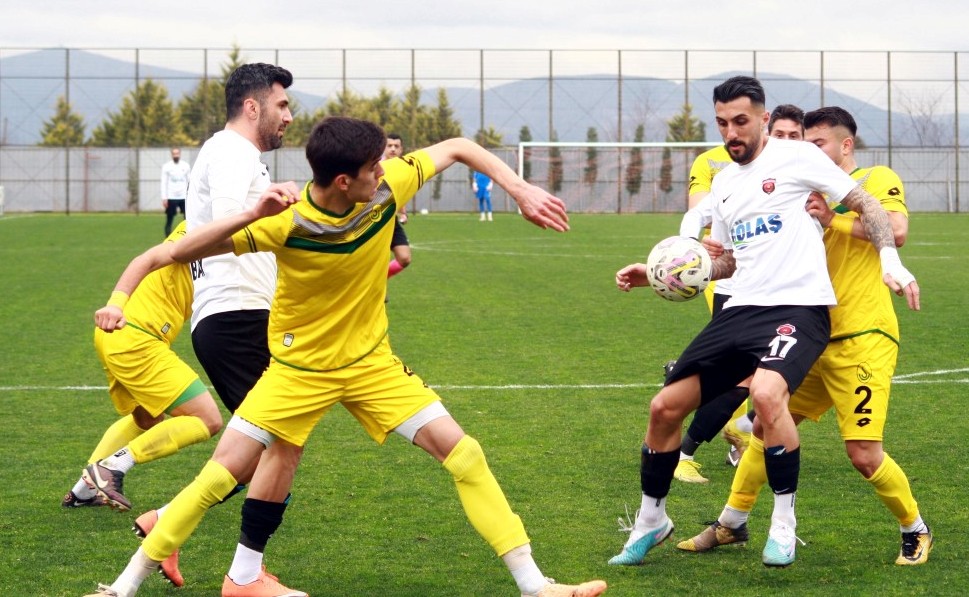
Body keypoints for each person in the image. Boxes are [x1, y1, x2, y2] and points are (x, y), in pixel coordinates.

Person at [84, 117, 607, 597]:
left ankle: (537, 587)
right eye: (372, 166)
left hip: (370, 366)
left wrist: (518, 187)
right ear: (341, 181)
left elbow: (458, 147)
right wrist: (118, 300)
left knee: (464, 453)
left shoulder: (384, 188)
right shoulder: (283, 223)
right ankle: (122, 588)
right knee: (220, 475)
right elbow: (163, 254)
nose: (384, 172)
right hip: (297, 372)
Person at [609, 76, 918, 569]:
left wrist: (889, 259)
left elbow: (868, 205)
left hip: (799, 308)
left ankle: (782, 522)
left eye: (741, 121)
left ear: (763, 119)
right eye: (723, 123)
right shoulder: (726, 183)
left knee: (768, 396)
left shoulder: (798, 158)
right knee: (664, 407)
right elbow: (730, 261)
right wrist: (659, 273)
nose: (731, 132)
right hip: (740, 310)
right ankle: (652, 520)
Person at [86, 62, 305, 595]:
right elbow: (233, 223)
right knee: (278, 447)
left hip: (243, 316)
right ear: (252, 106)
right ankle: (244, 575)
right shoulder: (231, 153)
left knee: (264, 448)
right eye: (282, 105)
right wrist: (281, 211)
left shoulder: (239, 157)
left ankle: (171, 523)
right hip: (236, 316)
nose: (289, 117)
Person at [64, 221, 222, 588]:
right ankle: (113, 465)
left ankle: (85, 489)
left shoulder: (213, 227)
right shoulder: (201, 225)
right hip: (136, 336)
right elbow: (147, 258)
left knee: (146, 416)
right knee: (207, 419)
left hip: (120, 335)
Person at [671, 103, 807, 484]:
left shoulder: (796, 167)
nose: (784, 142)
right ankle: (689, 449)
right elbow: (698, 211)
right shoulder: (718, 165)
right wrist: (689, 246)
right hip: (733, 288)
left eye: (793, 137)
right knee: (745, 378)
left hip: (782, 294)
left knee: (764, 377)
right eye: (780, 134)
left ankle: (742, 428)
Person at [384, 133, 411, 278]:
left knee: (404, 258)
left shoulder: (403, 169)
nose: (393, 149)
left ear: (401, 150)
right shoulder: (377, 167)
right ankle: (376, 288)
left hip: (391, 220)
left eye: (396, 146)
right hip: (373, 219)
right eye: (389, 146)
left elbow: (400, 194)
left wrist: (403, 213)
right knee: (376, 259)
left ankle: (380, 280)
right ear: (383, 148)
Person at [160, 148, 191, 236]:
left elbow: (190, 182)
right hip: (171, 197)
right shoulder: (167, 167)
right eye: (174, 154)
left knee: (188, 219)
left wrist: (190, 196)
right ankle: (167, 238)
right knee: (169, 219)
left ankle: (188, 237)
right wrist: (164, 198)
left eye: (177, 153)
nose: (176, 155)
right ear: (171, 155)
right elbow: (164, 182)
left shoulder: (186, 166)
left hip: (183, 197)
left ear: (180, 154)